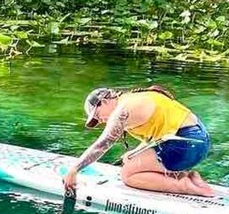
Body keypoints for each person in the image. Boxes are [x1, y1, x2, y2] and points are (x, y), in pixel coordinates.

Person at [62, 84, 215, 198]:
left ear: (105, 101)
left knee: (128, 175)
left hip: (186, 145)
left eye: (97, 115)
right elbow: (157, 134)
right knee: (131, 160)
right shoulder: (133, 99)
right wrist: (136, 152)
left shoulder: (122, 111)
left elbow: (102, 145)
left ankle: (184, 186)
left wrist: (74, 170)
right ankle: (188, 177)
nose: (100, 120)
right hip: (199, 142)